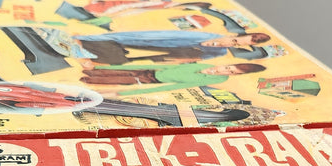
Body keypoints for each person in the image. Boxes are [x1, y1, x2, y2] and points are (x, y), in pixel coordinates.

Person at [70, 30, 270, 65]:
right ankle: (81, 41)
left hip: (157, 54)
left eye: (236, 46)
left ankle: (91, 56)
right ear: (233, 36)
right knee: (119, 40)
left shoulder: (218, 51)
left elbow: (190, 59)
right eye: (234, 41)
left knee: (119, 58)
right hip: (147, 40)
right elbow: (152, 36)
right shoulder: (202, 35)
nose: (229, 44)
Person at [79, 60, 266, 95]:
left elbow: (169, 87)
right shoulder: (203, 65)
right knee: (91, 72)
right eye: (227, 67)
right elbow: (162, 66)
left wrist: (124, 94)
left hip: (147, 80)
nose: (224, 71)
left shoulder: (216, 80)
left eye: (231, 72)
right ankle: (96, 70)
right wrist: (100, 65)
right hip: (146, 70)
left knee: (90, 80)